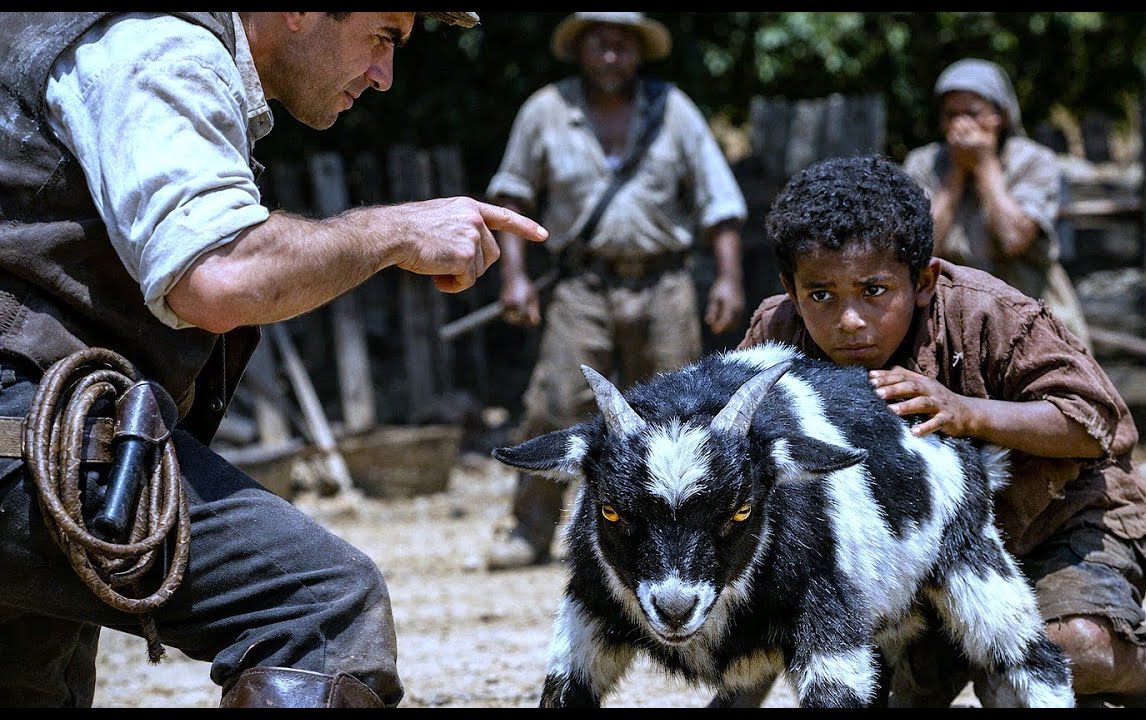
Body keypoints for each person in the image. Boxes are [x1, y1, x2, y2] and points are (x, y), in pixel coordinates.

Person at [0, 12, 547, 708]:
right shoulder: (159, 47)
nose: (385, 76)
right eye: (383, 34)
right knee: (321, 609)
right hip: (24, 436)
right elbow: (219, 276)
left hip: (37, 440)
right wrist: (397, 230)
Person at [725, 154, 1146, 708]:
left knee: (1067, 653)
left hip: (1053, 524)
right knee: (867, 686)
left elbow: (1096, 424)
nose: (849, 320)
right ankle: (970, 659)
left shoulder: (990, 314)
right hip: (911, 560)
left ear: (922, 281)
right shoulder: (775, 338)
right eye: (820, 295)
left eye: (874, 291)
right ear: (791, 288)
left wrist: (968, 411)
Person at [482, 12, 748, 571]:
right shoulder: (546, 111)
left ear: (639, 52)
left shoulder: (674, 111)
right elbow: (514, 198)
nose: (610, 56)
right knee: (555, 404)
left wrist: (727, 277)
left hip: (666, 284)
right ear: (579, 49)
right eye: (600, 44)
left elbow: (719, 200)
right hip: (582, 287)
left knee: (685, 413)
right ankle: (530, 531)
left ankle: (692, 533)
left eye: (622, 45)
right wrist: (515, 276)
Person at [903, 57, 1093, 352]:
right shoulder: (924, 164)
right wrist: (955, 176)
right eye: (952, 114)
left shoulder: (1033, 161)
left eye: (973, 113)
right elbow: (921, 246)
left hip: (1032, 318)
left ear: (1000, 115)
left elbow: (1013, 238)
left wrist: (984, 166)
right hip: (950, 328)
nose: (961, 125)